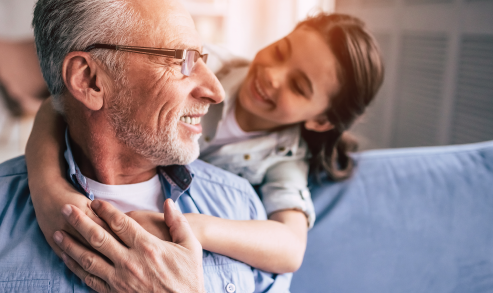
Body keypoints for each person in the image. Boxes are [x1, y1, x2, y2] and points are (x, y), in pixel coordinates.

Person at [0, 0, 294, 292]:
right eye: (182, 61)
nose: (216, 91)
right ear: (90, 80)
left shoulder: (241, 208)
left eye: (203, 59)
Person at [25, 12, 385, 278]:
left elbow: (290, 248)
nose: (273, 76)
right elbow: (62, 101)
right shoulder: (205, 63)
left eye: (299, 86)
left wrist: (191, 227)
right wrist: (48, 192)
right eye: (281, 51)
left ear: (320, 121)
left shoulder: (284, 158)